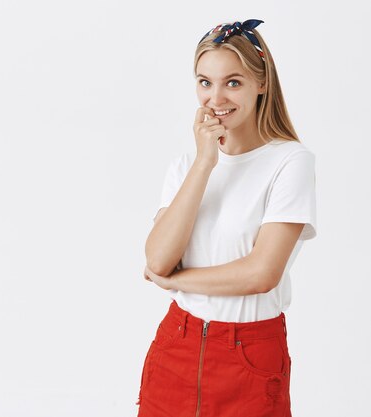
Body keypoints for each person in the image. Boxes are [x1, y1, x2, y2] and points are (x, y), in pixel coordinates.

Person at [136, 19, 317, 417]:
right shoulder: (186, 165)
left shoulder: (289, 162)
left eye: (232, 82)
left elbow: (260, 274)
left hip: (249, 355)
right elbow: (158, 259)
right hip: (175, 346)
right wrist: (204, 162)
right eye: (205, 82)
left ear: (261, 83)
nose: (215, 97)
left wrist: (175, 282)